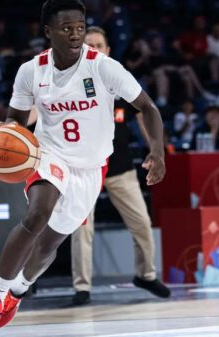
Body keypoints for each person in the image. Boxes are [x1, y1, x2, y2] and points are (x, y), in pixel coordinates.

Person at [0, 1, 165, 336]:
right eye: (66, 28)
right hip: (50, 155)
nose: (76, 34)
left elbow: (147, 107)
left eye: (80, 27)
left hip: (90, 168)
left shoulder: (104, 67)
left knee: (49, 244)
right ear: (48, 32)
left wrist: (157, 151)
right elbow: (16, 120)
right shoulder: (31, 71)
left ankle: (16, 292)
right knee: (37, 215)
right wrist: (2, 132)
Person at [70, 26, 170, 306]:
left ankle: (146, 274)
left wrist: (155, 149)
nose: (95, 49)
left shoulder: (118, 79)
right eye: (89, 44)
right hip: (84, 170)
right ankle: (82, 288)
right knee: (82, 230)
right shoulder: (69, 81)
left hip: (120, 167)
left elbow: (143, 115)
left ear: (108, 50)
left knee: (142, 223)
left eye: (99, 44)